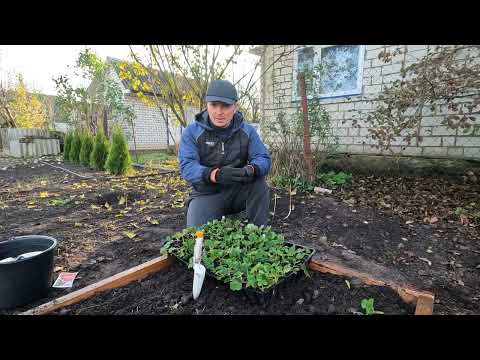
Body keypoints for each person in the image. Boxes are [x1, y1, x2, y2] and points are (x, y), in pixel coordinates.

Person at [179, 79, 271, 227]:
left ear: (235, 107)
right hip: (207, 193)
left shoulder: (247, 131)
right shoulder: (192, 132)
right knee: (196, 236)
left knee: (259, 185)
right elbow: (187, 166)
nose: (219, 112)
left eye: (226, 106)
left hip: (238, 190)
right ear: (206, 105)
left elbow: (263, 157)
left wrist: (251, 169)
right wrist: (214, 174)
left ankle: (259, 233)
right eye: (213, 105)